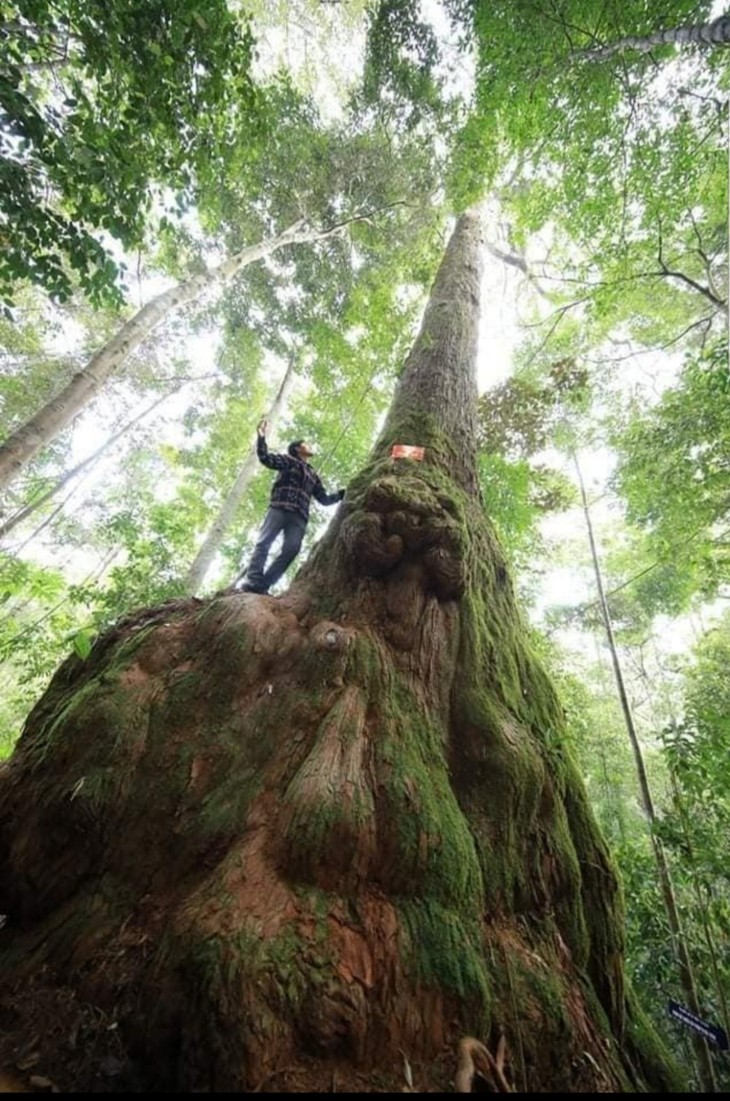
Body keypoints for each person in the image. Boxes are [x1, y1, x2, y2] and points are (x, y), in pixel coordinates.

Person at [235, 419, 345, 594]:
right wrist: (261, 437)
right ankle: (252, 580)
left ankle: (263, 585)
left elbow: (324, 499)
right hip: (279, 508)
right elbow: (266, 458)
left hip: (299, 517)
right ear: (297, 449)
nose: (309, 446)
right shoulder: (287, 460)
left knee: (292, 550)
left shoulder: (313, 474)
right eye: (305, 444)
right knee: (264, 543)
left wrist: (342, 494)